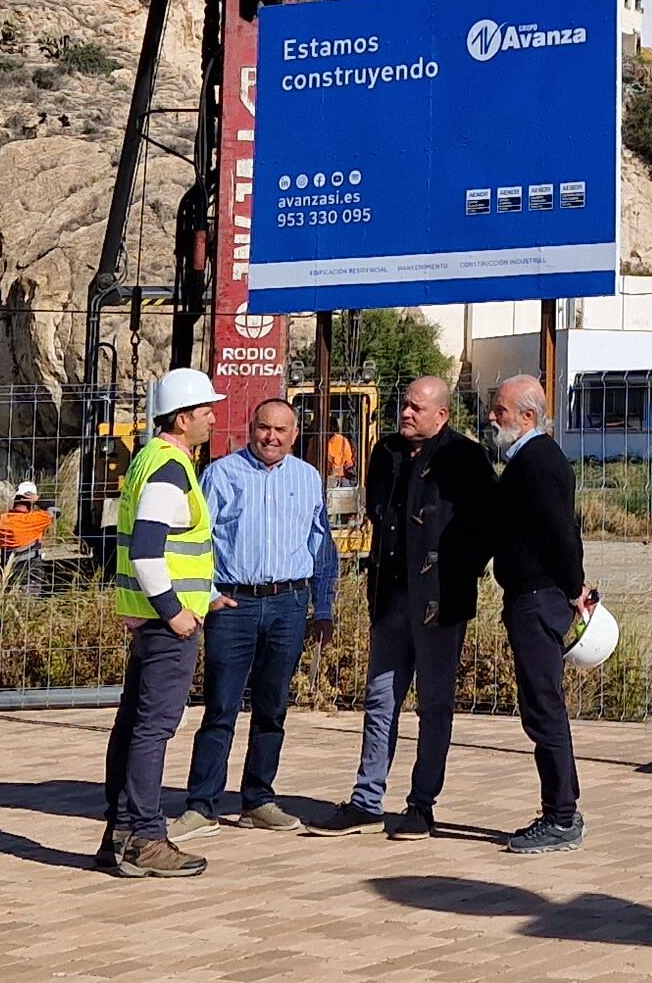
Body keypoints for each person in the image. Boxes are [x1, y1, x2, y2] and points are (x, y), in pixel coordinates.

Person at [312, 374, 495, 839]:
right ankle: (366, 800)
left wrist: (455, 572)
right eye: (404, 406)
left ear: (442, 414)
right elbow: (379, 512)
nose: (406, 413)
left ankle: (421, 805)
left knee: (434, 706)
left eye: (417, 407)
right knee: (380, 699)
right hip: (390, 599)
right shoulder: (387, 452)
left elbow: (485, 529)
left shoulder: (467, 458)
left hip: (439, 604)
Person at [183, 397, 338, 832]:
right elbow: (198, 540)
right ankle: (202, 804)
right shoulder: (221, 474)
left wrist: (322, 607)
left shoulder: (308, 478)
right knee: (221, 707)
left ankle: (258, 799)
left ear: (294, 435)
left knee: (273, 709)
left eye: (281, 431)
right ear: (251, 429)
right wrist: (208, 594)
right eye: (263, 428)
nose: (271, 437)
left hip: (288, 604)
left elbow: (322, 547)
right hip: (235, 605)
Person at [92, 369, 222, 881]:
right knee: (153, 728)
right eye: (206, 409)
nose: (214, 416)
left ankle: (121, 833)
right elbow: (149, 553)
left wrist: (207, 595)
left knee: (134, 723)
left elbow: (157, 549)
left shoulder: (150, 459)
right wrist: (177, 612)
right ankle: (146, 836)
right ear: (184, 417)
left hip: (149, 618)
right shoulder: (170, 468)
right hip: (166, 624)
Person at [485, 373, 592, 856]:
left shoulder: (536, 461)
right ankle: (563, 807)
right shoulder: (531, 459)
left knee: (543, 707)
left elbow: (561, 534)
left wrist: (573, 589)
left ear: (527, 416)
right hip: (535, 596)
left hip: (538, 599)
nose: (492, 418)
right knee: (543, 705)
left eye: (501, 411)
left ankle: (561, 816)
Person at [0, 483, 54, 587]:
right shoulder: (35, 519)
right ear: (31, 503)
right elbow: (56, 510)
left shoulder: (4, 519)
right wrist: (39, 499)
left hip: (9, 567)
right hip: (30, 567)